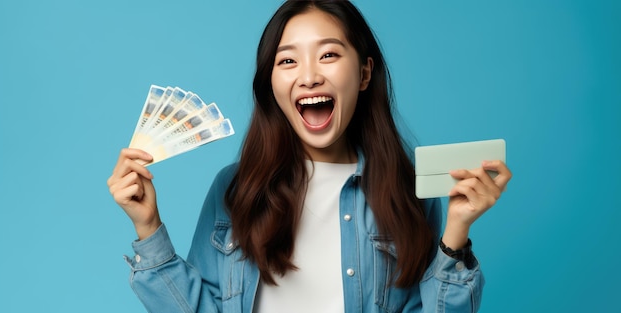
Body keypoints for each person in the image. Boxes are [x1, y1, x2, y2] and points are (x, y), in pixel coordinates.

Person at [107, 1, 512, 312]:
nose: (309, 75)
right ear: (272, 83)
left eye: (329, 55)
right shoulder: (234, 188)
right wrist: (149, 228)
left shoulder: (407, 191)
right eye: (287, 60)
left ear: (365, 73)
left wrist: (456, 235)